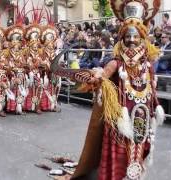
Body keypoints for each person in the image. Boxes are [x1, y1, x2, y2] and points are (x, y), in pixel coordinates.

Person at [51, 0, 164, 179]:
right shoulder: (115, 63)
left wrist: (153, 107)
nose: (132, 40)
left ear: (143, 38)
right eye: (128, 36)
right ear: (122, 38)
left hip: (142, 116)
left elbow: (152, 91)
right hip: (119, 118)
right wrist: (95, 76)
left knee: (139, 149)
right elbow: (102, 75)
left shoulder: (148, 65)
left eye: (136, 36)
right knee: (120, 151)